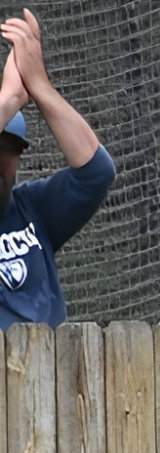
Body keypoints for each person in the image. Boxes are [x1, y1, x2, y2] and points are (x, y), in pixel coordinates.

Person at [0, 7, 113, 329]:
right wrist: (9, 99)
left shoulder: (32, 208)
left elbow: (96, 174)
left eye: (9, 150)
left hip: (50, 371)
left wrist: (39, 86)